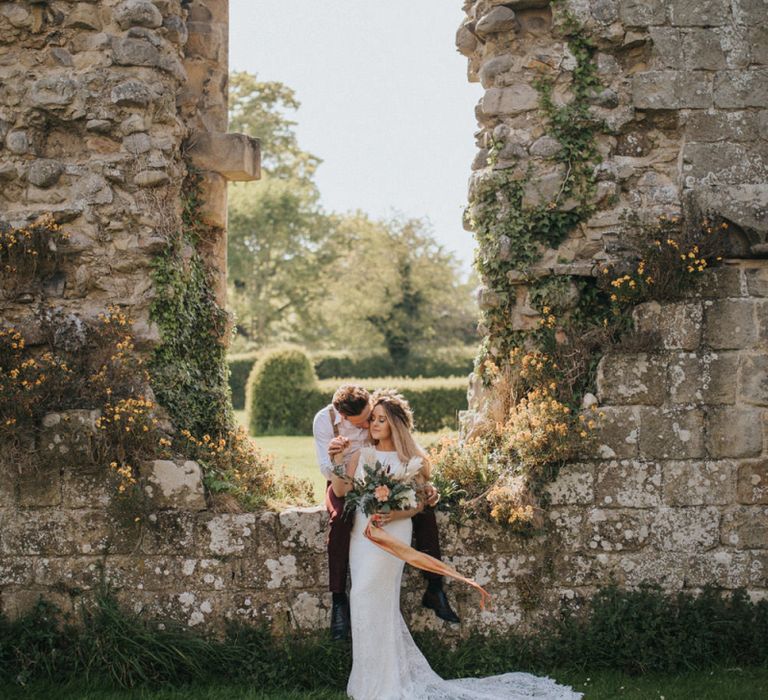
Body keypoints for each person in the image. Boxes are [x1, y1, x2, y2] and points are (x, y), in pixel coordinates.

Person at [330, 390, 582, 700]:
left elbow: (418, 505)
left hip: (393, 534)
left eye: (382, 420)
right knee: (363, 599)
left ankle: (385, 685)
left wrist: (392, 512)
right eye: (373, 420)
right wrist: (338, 460)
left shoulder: (413, 461)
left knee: (377, 599)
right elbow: (341, 492)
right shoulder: (361, 455)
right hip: (363, 537)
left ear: (397, 424)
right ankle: (367, 682)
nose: (375, 425)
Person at [313, 384, 459, 642]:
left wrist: (420, 495)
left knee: (427, 512)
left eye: (375, 419)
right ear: (345, 417)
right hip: (347, 479)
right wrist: (339, 460)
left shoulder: (375, 411)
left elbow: (413, 475)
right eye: (367, 421)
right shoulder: (326, 422)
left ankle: (434, 586)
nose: (368, 425)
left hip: (387, 490)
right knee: (340, 518)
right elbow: (336, 480)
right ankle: (338, 599)